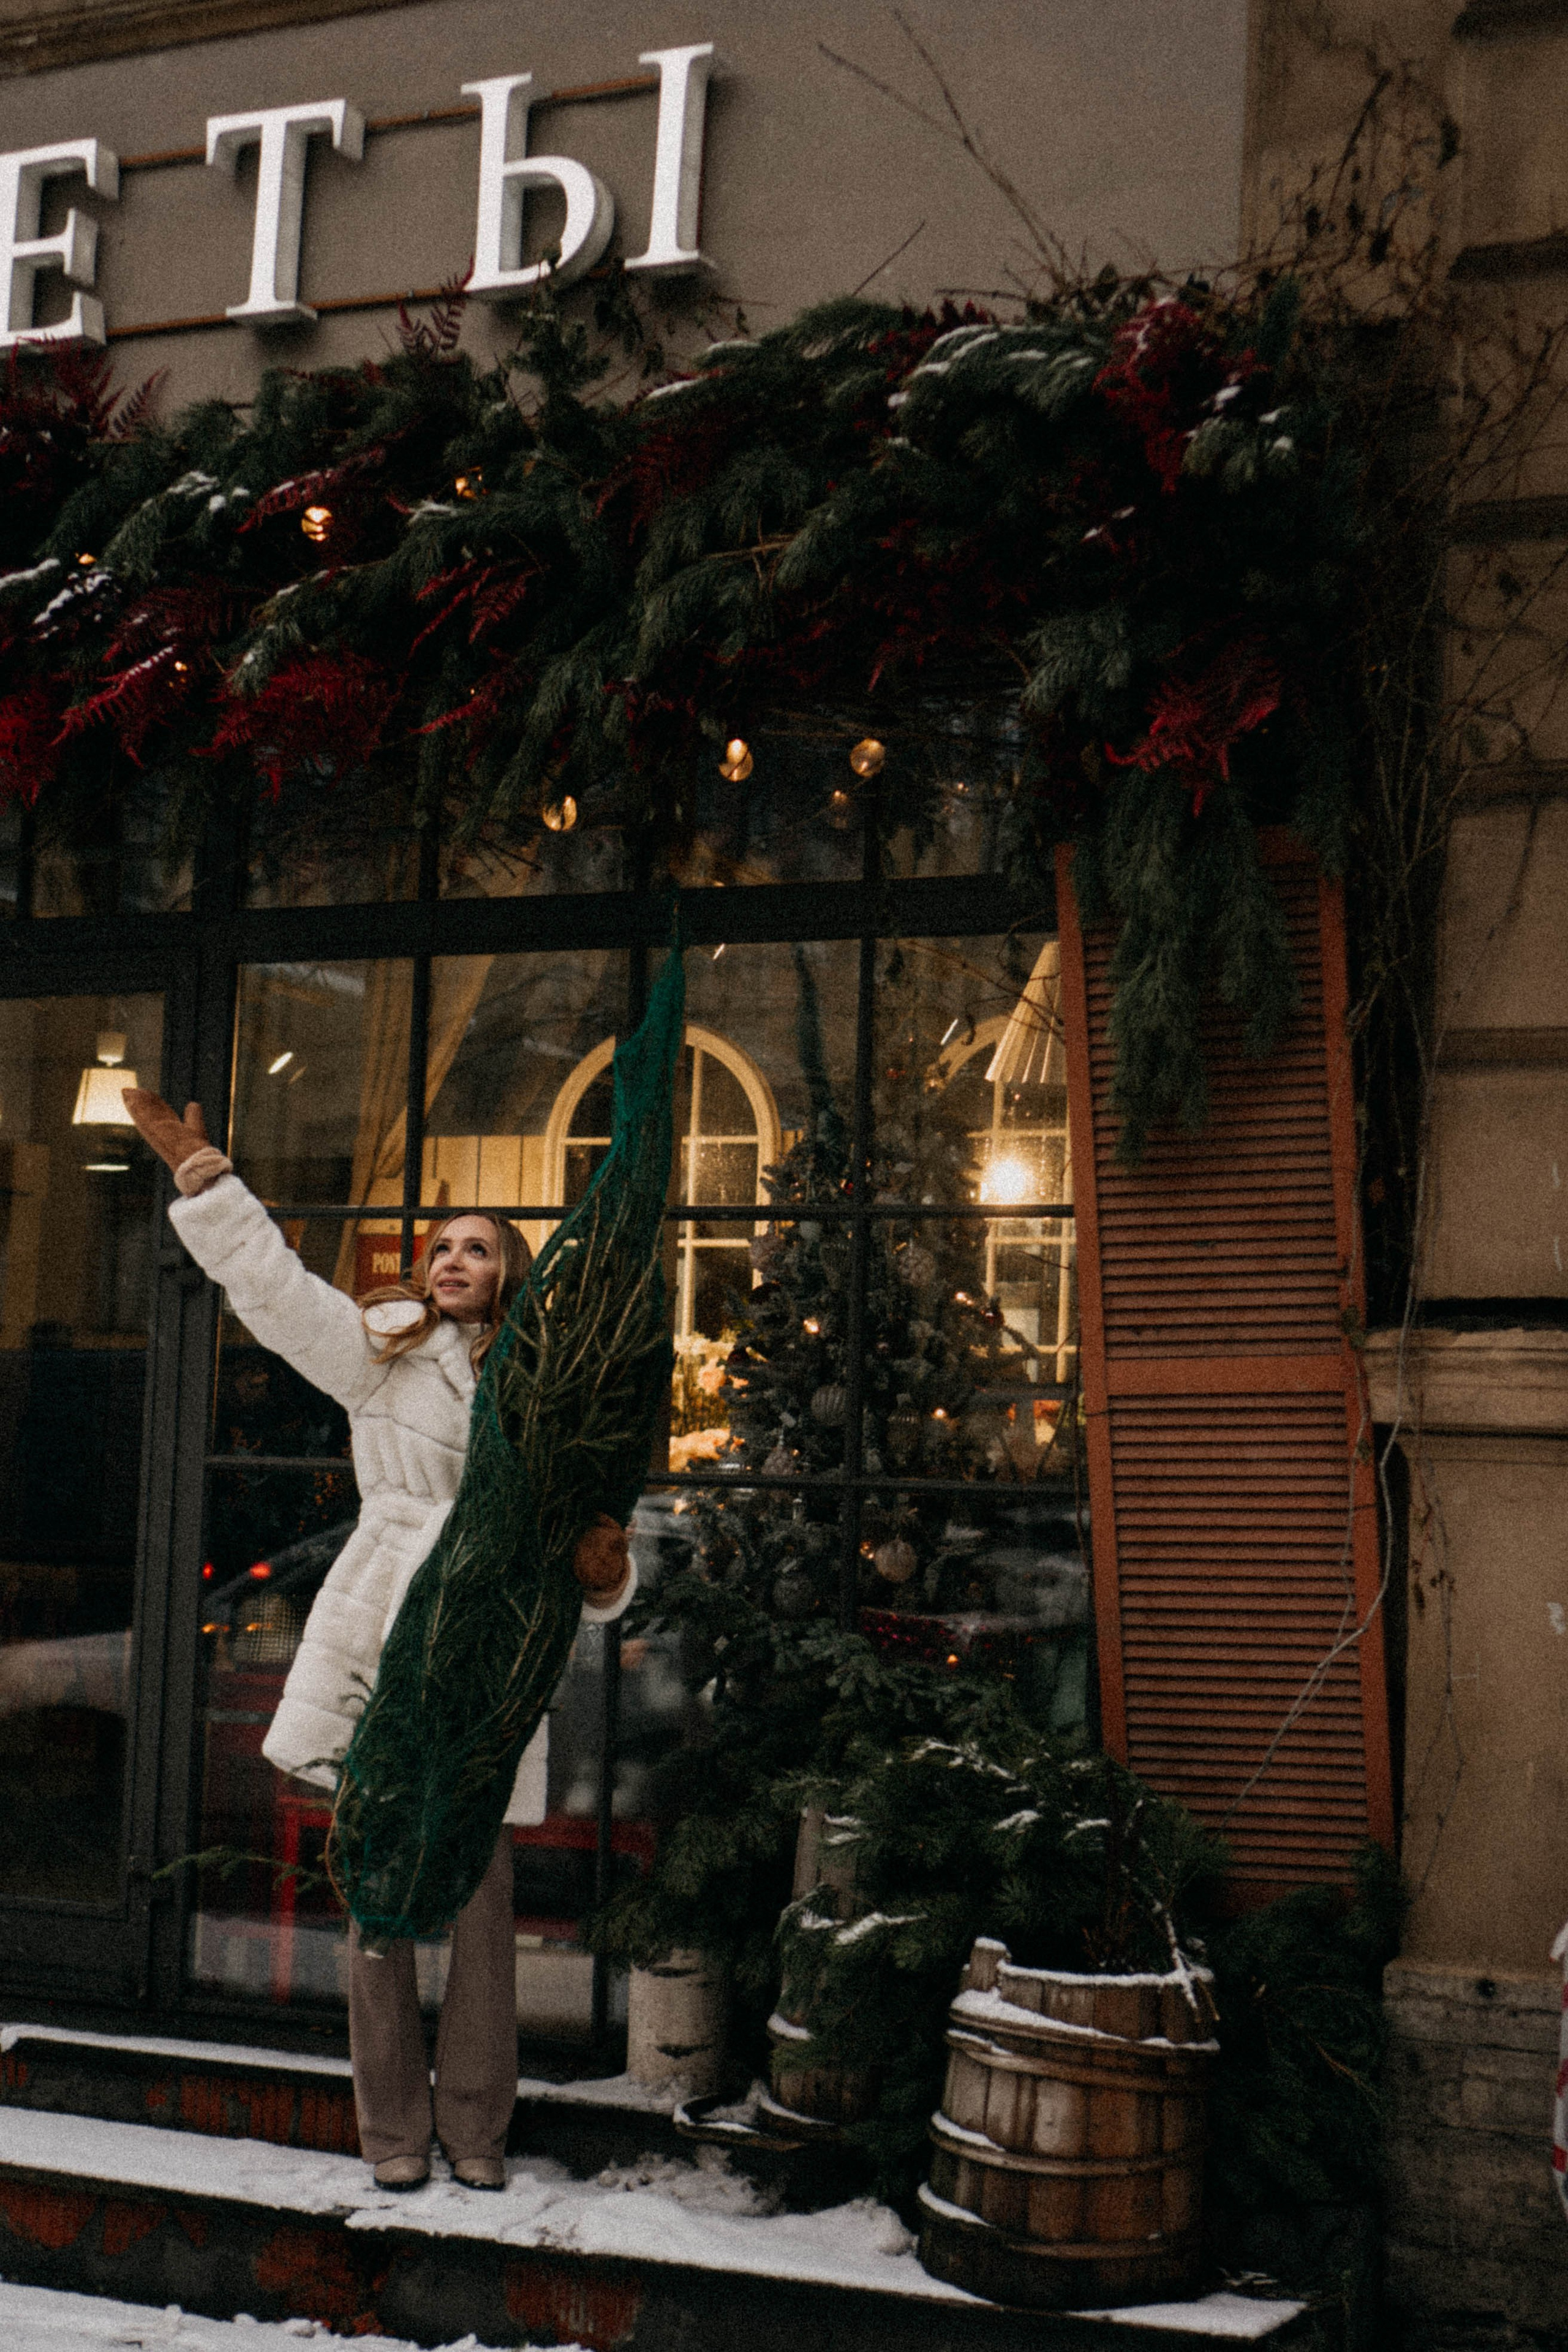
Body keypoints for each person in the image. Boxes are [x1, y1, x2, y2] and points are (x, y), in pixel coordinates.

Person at [124, 1090, 635, 2194]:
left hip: (487, 1666)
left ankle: (478, 2132)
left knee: (483, 1910)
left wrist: (605, 1573)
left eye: (477, 1248)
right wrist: (211, 1186)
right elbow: (277, 1295)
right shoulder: (385, 1355)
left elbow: (581, 1553)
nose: (451, 1258)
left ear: (511, 1273)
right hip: (382, 1642)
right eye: (442, 1244)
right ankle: (393, 2132)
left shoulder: (546, 1386)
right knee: (376, 1897)